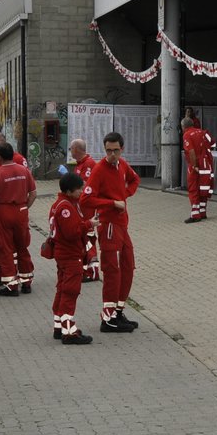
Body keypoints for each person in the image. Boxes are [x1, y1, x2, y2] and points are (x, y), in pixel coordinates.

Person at [81, 132, 141, 332]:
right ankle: (107, 318)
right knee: (112, 270)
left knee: (128, 266)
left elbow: (134, 180)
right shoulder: (99, 170)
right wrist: (111, 203)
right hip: (108, 226)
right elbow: (86, 199)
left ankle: (118, 311)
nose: (112, 154)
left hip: (122, 225)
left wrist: (124, 195)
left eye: (115, 150)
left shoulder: (122, 165)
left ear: (121, 149)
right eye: (108, 151)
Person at [0, 142, 36, 297]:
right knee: (22, 246)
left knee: (5, 248)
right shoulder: (24, 171)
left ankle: (11, 285)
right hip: (21, 210)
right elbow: (33, 193)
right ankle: (26, 281)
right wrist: (25, 206)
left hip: (4, 211)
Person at [47, 172, 94, 345]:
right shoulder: (66, 207)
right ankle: (69, 331)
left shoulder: (59, 204)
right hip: (70, 255)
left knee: (61, 289)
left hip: (63, 254)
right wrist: (89, 224)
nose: (82, 191)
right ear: (69, 191)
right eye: (79, 188)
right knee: (70, 291)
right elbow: (71, 232)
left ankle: (59, 326)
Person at [69, 139, 102, 282]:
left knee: (88, 237)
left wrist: (70, 180)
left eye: (71, 148)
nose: (70, 150)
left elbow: (86, 184)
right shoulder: (79, 164)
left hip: (87, 207)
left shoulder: (88, 164)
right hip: (80, 206)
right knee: (83, 237)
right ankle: (86, 268)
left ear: (77, 149)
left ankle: (93, 271)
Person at [181, 115, 216, 223]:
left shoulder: (187, 135)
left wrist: (194, 165)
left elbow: (191, 151)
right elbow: (213, 143)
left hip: (196, 165)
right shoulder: (202, 132)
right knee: (204, 189)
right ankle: (202, 212)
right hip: (207, 164)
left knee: (193, 189)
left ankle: (195, 215)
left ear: (183, 126)